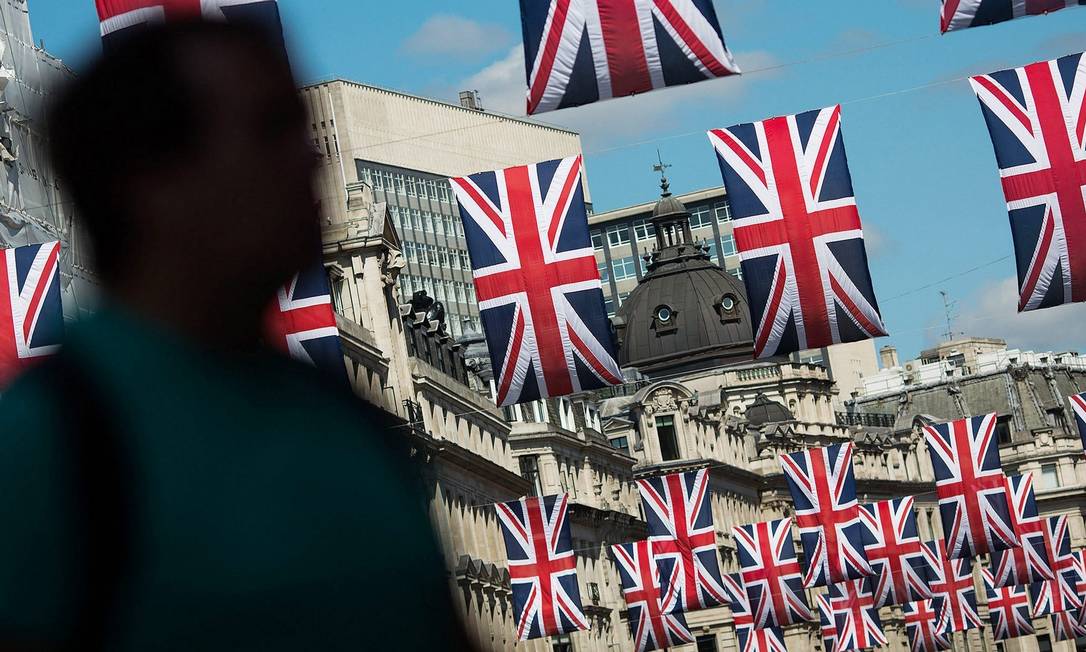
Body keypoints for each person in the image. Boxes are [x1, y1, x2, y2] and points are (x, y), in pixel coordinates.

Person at [0, 21, 472, 651]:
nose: (310, 158)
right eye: (270, 129)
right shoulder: (46, 447)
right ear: (154, 183)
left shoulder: (344, 420)